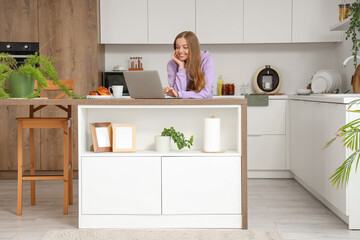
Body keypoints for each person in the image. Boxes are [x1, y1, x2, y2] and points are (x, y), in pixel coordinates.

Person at [163, 31, 215, 98]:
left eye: (185, 47)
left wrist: (179, 94)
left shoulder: (206, 60)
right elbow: (177, 93)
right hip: (182, 106)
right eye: (177, 47)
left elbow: (206, 92)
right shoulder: (172, 64)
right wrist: (181, 67)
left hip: (203, 105)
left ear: (193, 48)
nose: (180, 51)